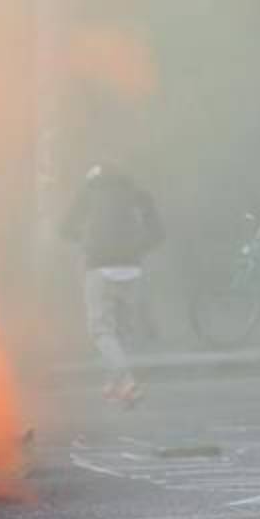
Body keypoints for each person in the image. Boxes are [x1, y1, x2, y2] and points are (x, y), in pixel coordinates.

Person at [60, 164, 163, 408]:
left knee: (101, 330)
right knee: (122, 331)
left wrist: (86, 242)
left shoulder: (89, 192)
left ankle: (127, 381)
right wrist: (137, 249)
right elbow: (159, 233)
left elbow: (65, 228)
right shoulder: (138, 194)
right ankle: (114, 384)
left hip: (100, 269)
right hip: (133, 270)